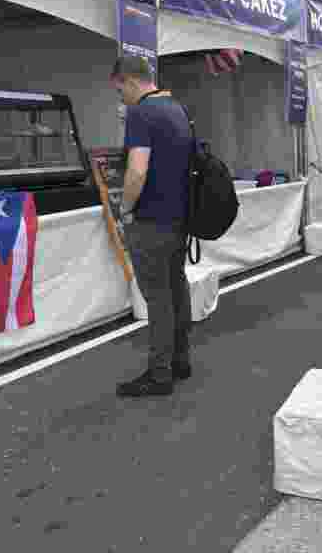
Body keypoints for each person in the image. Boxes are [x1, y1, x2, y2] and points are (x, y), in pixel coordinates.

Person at [110, 56, 194, 398]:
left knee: (157, 299)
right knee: (177, 289)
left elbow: (138, 171)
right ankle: (180, 360)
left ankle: (160, 374)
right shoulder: (176, 108)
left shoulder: (141, 113)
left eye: (120, 91)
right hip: (178, 218)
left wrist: (125, 209)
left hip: (149, 220)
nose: (121, 99)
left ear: (130, 81)